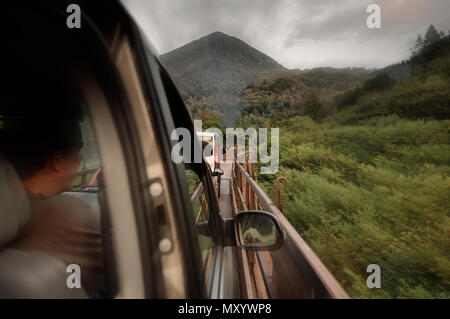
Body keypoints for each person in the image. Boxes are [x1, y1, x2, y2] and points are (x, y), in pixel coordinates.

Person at [0, 105, 104, 297]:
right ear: (57, 160)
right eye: (78, 153)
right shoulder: (68, 214)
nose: (80, 160)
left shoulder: (12, 210)